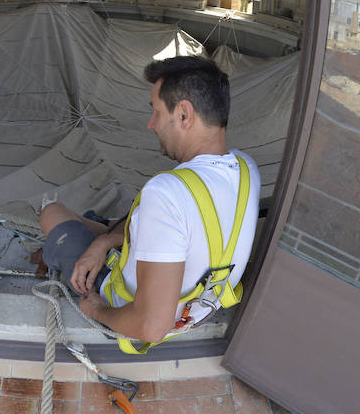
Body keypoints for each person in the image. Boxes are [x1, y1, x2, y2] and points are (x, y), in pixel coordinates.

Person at [39, 56, 260, 345]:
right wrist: (103, 243)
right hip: (200, 306)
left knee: (52, 212)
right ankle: (100, 234)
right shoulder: (246, 168)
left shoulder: (166, 193)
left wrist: (98, 309)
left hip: (129, 306)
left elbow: (151, 327)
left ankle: (81, 237)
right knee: (103, 227)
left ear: (183, 114)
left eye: (156, 111)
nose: (151, 124)